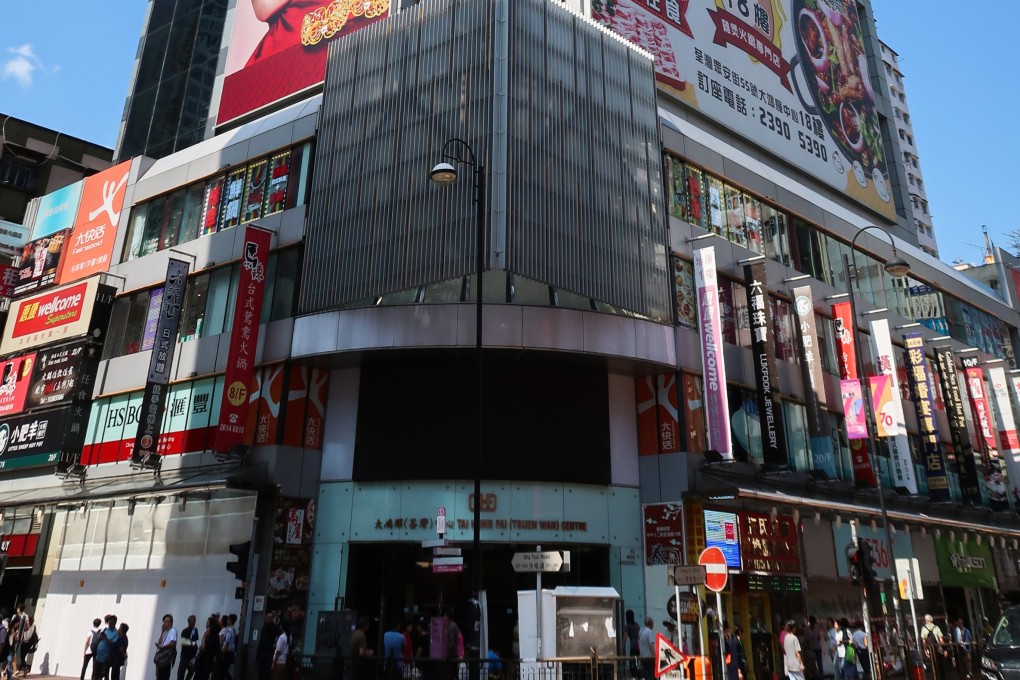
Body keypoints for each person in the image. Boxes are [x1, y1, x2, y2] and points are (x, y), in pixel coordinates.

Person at [93, 616, 121, 680]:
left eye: (111, 623)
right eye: (109, 623)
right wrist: (100, 637)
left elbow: (113, 644)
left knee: (103, 675)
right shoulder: (105, 630)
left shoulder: (116, 633)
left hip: (105, 658)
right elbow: (97, 640)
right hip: (98, 657)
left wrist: (105, 638)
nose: (109, 625)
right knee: (95, 675)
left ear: (114, 623)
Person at [256, 613, 281, 680]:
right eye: (267, 618)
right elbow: (261, 640)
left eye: (270, 618)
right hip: (262, 652)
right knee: (260, 671)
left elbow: (278, 638)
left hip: (269, 653)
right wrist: (258, 653)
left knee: (266, 672)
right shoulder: (264, 628)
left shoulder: (275, 628)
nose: (269, 619)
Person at [154, 613, 178, 680]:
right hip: (161, 658)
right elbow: (160, 643)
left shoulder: (173, 630)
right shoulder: (165, 632)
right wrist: (162, 632)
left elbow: (173, 643)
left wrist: (163, 647)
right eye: (164, 621)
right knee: (159, 676)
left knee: (164, 676)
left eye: (166, 621)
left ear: (171, 623)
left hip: (166, 658)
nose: (165, 623)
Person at [179, 615, 200, 680]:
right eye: (192, 621)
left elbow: (195, 640)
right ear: (189, 621)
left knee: (191, 671)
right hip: (185, 656)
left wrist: (192, 643)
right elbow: (183, 642)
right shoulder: (184, 631)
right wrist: (192, 643)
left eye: (194, 621)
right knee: (181, 673)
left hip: (192, 656)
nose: (194, 623)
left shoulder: (195, 630)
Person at [219, 613, 237, 680]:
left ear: (230, 620)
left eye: (228, 619)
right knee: (226, 669)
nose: (227, 621)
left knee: (223, 670)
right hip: (231, 652)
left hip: (227, 652)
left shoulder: (229, 630)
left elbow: (227, 641)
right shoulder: (234, 630)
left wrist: (223, 651)